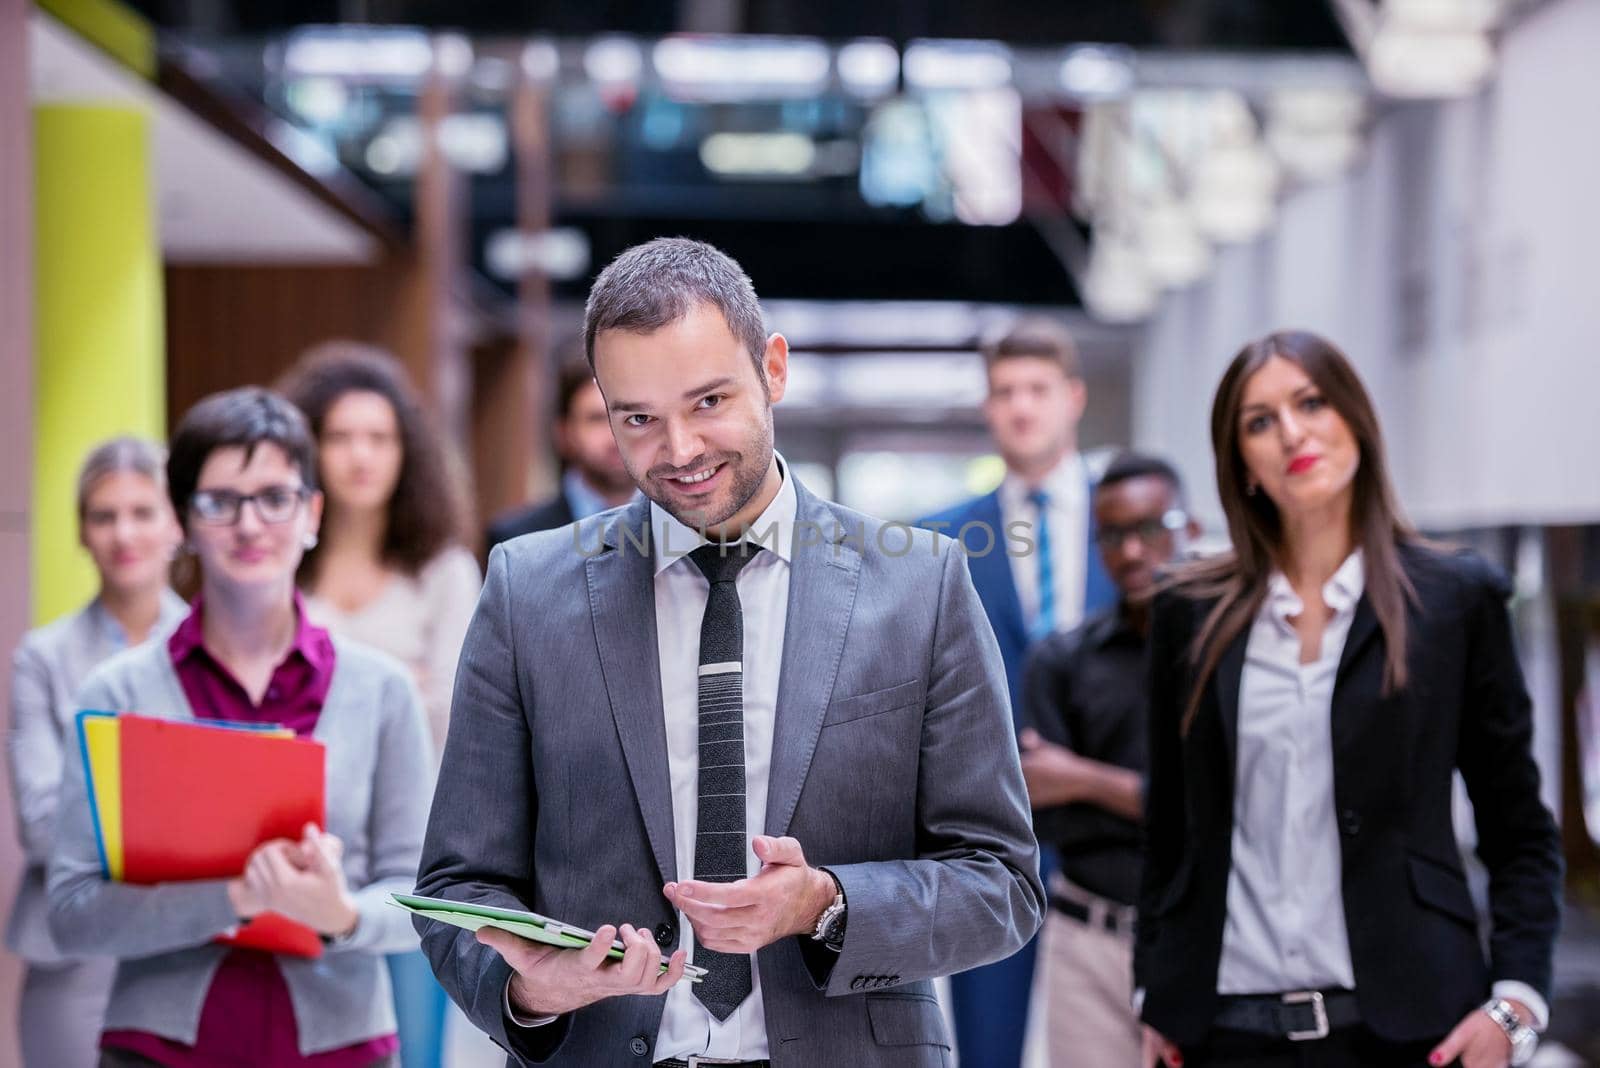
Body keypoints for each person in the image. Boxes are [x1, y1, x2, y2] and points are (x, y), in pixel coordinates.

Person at [414, 237, 1044, 1067]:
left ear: (772, 370)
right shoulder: (528, 592)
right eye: (638, 418)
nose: (678, 450)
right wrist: (532, 990)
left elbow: (1000, 882)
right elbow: (456, 889)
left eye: (708, 401)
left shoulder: (920, 586)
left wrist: (827, 903)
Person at [1137, 331, 1562, 1068]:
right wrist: (1153, 990)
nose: (1292, 432)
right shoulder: (1187, 612)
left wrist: (1517, 1001)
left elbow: (1517, 826)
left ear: (1356, 420)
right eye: (1259, 421)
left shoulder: (1455, 601)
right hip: (1224, 1033)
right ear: (1240, 463)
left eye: (1311, 403)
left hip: (1412, 1031)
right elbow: (1169, 828)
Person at [47, 387, 434, 1067]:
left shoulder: (381, 691)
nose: (250, 525)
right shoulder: (120, 691)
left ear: (312, 512)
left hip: (342, 1049)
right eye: (220, 502)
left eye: (274, 497)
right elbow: (74, 912)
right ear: (183, 523)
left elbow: (424, 900)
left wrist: (338, 912)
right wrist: (233, 898)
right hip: (158, 1051)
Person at [916, 316, 1117, 1068]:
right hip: (988, 836)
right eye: (1005, 392)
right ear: (987, 407)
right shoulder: (944, 540)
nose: (1022, 408)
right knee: (989, 1048)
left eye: (1037, 390)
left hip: (1114, 842)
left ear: (1073, 398)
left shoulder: (1131, 528)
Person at [280, 342, 482, 1068]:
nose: (360, 456)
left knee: (411, 1047)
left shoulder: (444, 571)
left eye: (379, 437)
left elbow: (460, 716)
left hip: (415, 851)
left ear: (407, 452)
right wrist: (399, 678)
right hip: (293, 837)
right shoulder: (281, 567)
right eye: (339, 437)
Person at [6, 437, 186, 1068]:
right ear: (82, 532)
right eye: (103, 515)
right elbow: (40, 821)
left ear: (176, 525)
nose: (123, 533)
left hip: (188, 947)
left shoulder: (212, 654)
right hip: (70, 953)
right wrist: (172, 828)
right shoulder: (41, 659)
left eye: (142, 511)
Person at [1020, 451, 1199, 1068]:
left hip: (1200, 940)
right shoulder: (1062, 662)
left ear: (1189, 530)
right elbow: (1045, 818)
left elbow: (1219, 812)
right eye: (1114, 535)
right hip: (1084, 941)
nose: (1131, 553)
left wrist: (1081, 779)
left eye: (1150, 529)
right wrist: (1151, 801)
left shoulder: (1227, 658)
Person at [484, 353, 637, 552]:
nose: (614, 436)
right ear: (563, 434)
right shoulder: (516, 540)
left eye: (631, 417)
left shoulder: (681, 528)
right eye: (596, 419)